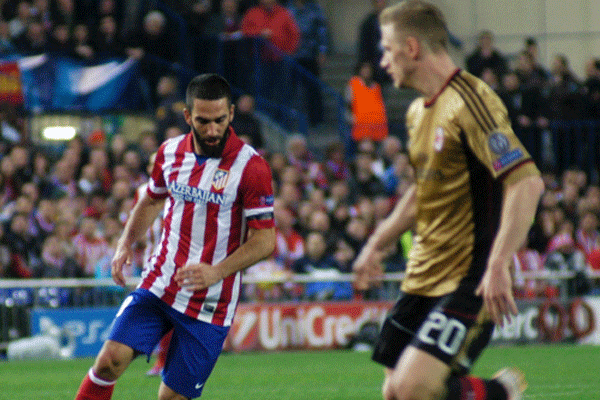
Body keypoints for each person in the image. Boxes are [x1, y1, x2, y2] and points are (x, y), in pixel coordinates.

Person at [352, 2, 544, 400]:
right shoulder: (417, 113)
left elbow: (526, 183)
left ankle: (500, 393)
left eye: (387, 49)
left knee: (415, 387)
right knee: (394, 392)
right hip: (421, 275)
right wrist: (376, 244)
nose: (382, 60)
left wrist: (499, 263)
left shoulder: (471, 101)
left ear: (411, 47)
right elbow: (422, 192)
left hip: (468, 278)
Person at [73, 73, 276, 400]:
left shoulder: (251, 167)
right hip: (160, 282)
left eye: (220, 121)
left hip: (211, 301)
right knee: (109, 361)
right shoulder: (169, 153)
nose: (212, 130)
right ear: (187, 117)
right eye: (203, 121)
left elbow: (265, 242)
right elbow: (152, 199)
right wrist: (126, 244)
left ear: (232, 115)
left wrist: (216, 271)